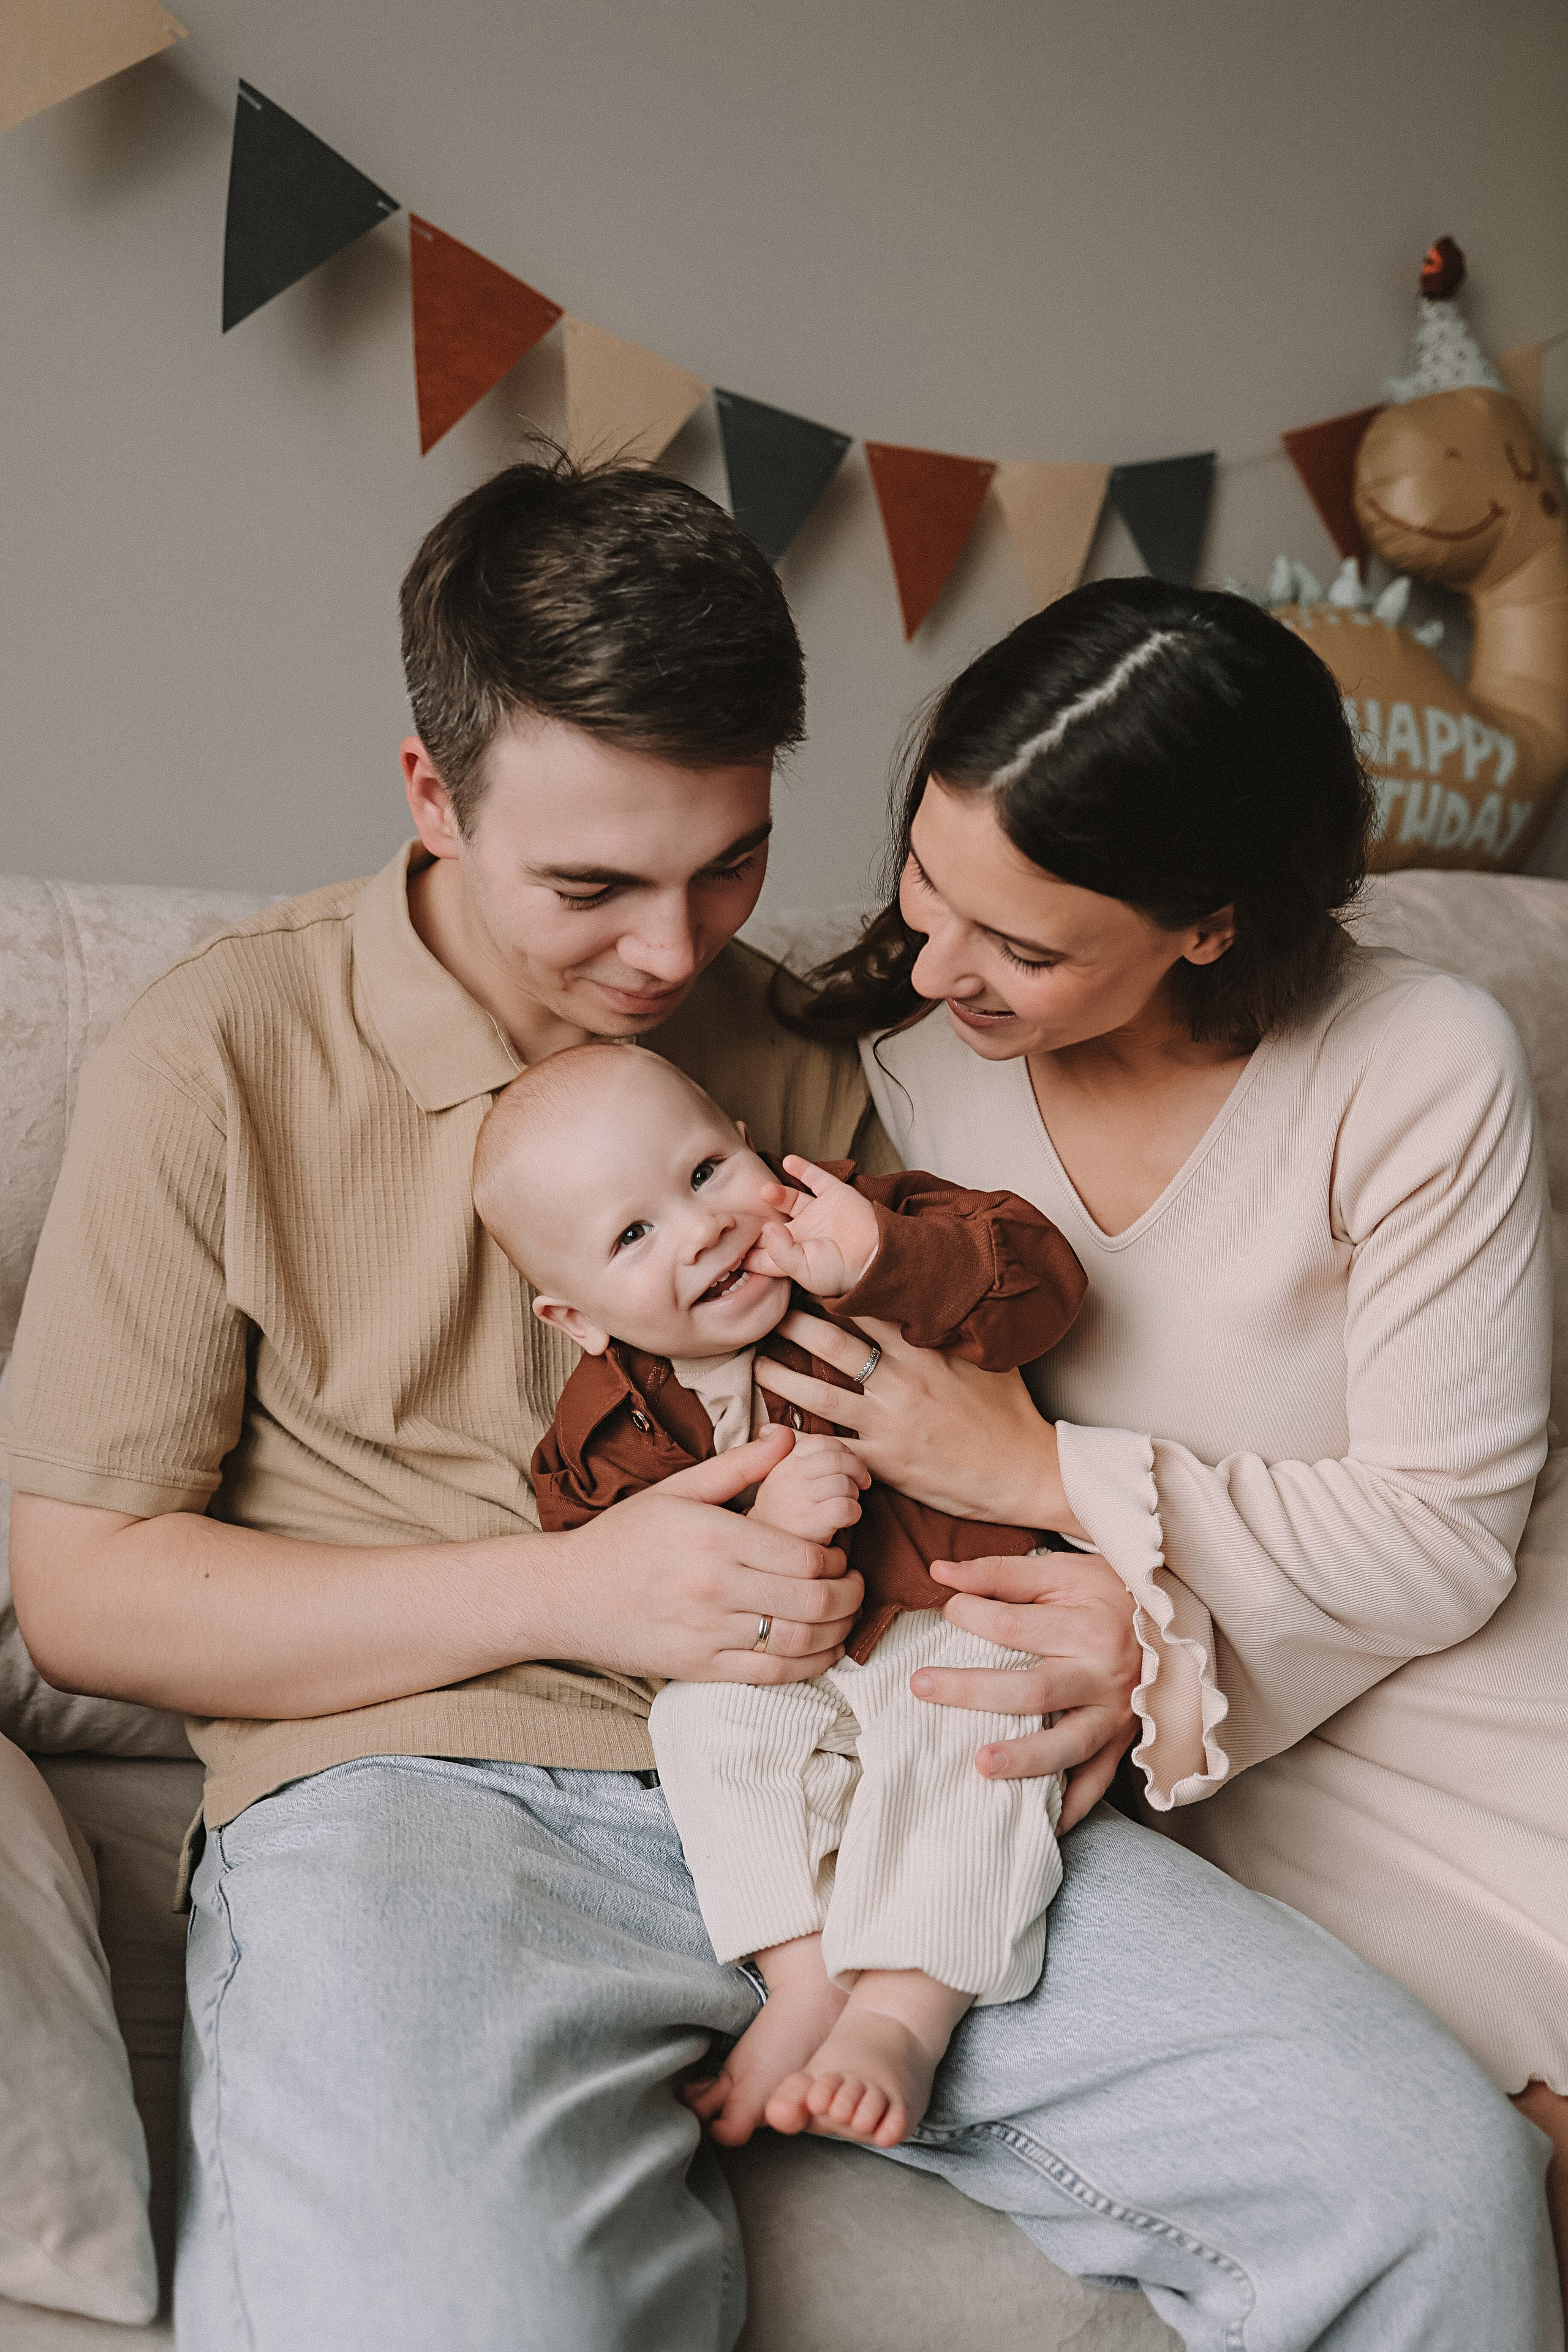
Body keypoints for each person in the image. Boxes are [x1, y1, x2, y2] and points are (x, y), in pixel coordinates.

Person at [1, 458, 1556, 2351]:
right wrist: (571, 1597)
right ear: (431, 790)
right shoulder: (213, 1058)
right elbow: (80, 1596)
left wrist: (1093, 1639)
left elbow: (1001, 1411)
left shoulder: (825, 1057)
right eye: (593, 884)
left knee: (1427, 2184)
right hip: (417, 1791)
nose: (670, 957)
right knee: (447, 2312)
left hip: (875, 1746)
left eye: (727, 863)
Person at [774, 573, 1568, 2305]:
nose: (935, 962)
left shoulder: (1420, 1062)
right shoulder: (897, 1058)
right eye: (926, 879)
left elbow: (1444, 1540)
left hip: (1470, 1677)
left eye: (1025, 946)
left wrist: (1039, 1472)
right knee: (1430, 2160)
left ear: (1209, 924)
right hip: (1180, 1709)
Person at [472, 1042, 1084, 2150]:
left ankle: (904, 2011)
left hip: (958, 1604)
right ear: (576, 1317)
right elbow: (611, 1561)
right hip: (784, 1657)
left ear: (754, 1149)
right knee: (697, 1725)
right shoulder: (614, 1416)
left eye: (705, 1174)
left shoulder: (876, 1228)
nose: (700, 1229)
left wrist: (885, 1263)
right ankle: (798, 1973)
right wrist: (755, 1534)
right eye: (632, 1235)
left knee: (973, 1738)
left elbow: (1042, 1286)